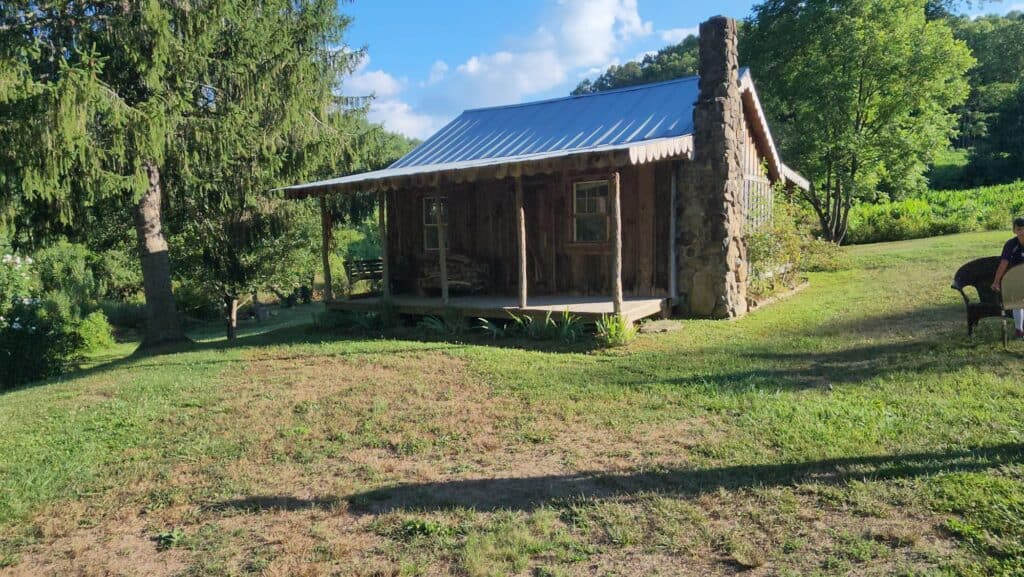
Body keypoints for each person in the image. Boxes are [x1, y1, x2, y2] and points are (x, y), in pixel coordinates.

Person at [992, 216, 1024, 339]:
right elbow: (1003, 264)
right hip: (1015, 278)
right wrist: (996, 282)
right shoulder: (1011, 244)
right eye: (1019, 229)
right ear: (1014, 230)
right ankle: (1019, 330)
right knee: (1017, 301)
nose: (1023, 232)